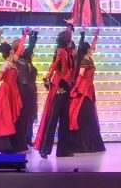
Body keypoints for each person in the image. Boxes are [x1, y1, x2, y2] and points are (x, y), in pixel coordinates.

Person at [35, 19, 76, 158]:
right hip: (59, 86)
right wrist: (47, 77)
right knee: (53, 118)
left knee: (65, 119)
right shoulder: (62, 51)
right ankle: (44, 149)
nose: (71, 41)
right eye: (69, 39)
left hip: (66, 87)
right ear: (66, 41)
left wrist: (69, 26)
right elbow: (54, 65)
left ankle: (64, 150)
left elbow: (68, 37)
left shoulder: (67, 51)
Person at [70, 29, 105, 153]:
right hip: (84, 90)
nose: (92, 49)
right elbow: (80, 75)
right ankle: (84, 144)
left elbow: (94, 47)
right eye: (90, 48)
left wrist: (96, 36)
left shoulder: (88, 58)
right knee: (86, 117)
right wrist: (77, 88)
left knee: (90, 116)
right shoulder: (84, 61)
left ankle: (90, 144)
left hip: (89, 89)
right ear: (87, 50)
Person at [14, 28, 39, 148]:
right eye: (22, 47)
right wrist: (24, 36)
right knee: (22, 115)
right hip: (21, 90)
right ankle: (20, 139)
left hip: (30, 90)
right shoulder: (16, 60)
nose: (24, 49)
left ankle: (28, 137)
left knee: (30, 114)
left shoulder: (26, 59)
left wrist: (34, 34)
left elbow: (31, 46)